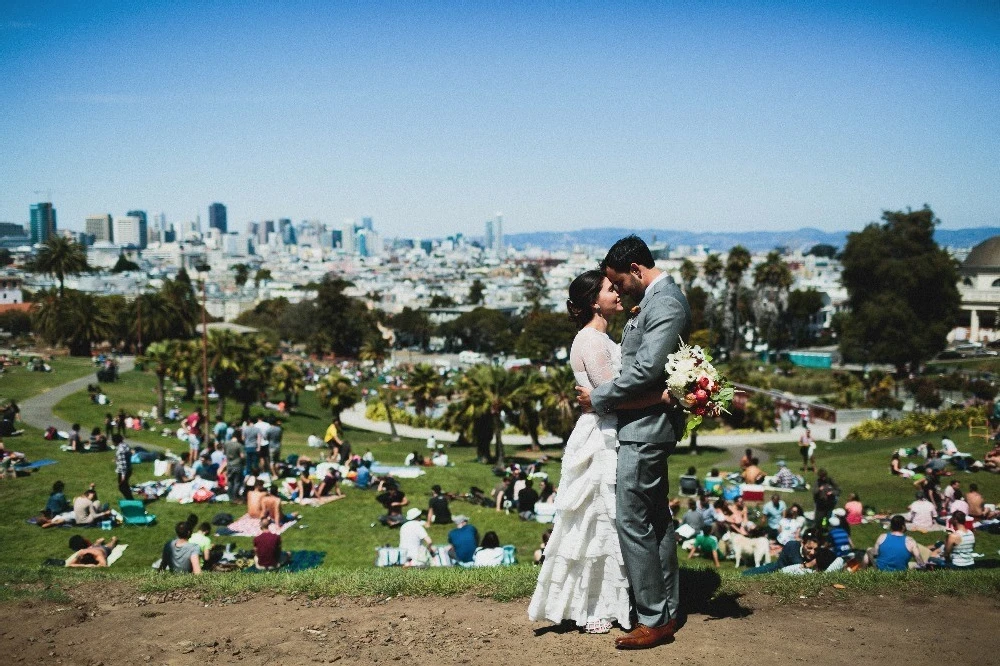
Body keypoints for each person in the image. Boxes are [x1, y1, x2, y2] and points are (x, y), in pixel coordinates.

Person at [570, 237, 692, 648]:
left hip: (646, 428)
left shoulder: (665, 303)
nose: (618, 291)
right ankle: (667, 610)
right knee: (655, 519)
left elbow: (644, 372)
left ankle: (654, 619)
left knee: (632, 518)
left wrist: (596, 399)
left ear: (636, 269)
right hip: (645, 422)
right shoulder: (656, 300)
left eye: (619, 282)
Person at [531, 268, 659, 636]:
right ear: (593, 302)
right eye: (609, 289)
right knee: (600, 517)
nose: (617, 292)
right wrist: (665, 397)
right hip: (602, 435)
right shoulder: (590, 340)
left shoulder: (600, 337)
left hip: (606, 428)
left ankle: (605, 600)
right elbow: (613, 394)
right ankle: (597, 605)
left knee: (607, 517)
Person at [224, 433, 245, 501]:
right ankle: (235, 496)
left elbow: (224, 453)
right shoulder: (239, 445)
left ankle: (229, 496)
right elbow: (242, 456)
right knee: (237, 481)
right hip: (237, 465)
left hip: (229, 465)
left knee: (230, 481)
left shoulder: (226, 444)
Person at [113, 434, 133, 499]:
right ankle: (130, 499)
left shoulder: (120, 450)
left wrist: (123, 476)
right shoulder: (125, 445)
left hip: (123, 471)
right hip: (129, 468)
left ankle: (130, 500)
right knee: (125, 486)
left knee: (122, 487)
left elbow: (123, 464)